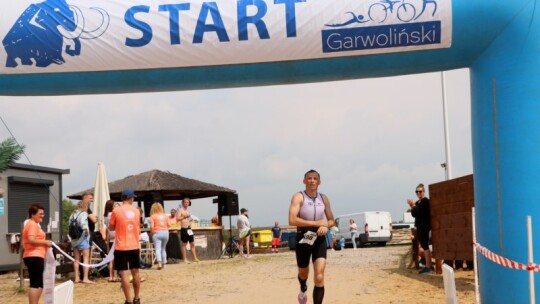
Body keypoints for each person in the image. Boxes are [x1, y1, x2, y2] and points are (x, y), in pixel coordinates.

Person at [289, 169, 335, 304]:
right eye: (309, 178)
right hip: (304, 236)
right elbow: (292, 220)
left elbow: (331, 220)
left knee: (319, 276)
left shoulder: (323, 198)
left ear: (319, 182)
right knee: (303, 273)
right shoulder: (298, 196)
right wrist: (315, 223)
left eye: (315, 178)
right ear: (304, 181)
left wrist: (325, 225)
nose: (312, 181)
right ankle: (303, 288)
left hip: (319, 237)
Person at [109, 189, 142, 304]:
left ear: (122, 198)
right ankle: (137, 298)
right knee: (136, 272)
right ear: (131, 198)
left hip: (121, 246)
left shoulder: (116, 211)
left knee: (124, 273)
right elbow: (137, 225)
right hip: (134, 244)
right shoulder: (136, 211)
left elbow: (111, 227)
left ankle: (128, 300)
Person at [22, 204, 53, 304]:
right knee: (35, 283)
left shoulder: (34, 224)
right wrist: (45, 242)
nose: (42, 216)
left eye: (43, 214)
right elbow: (31, 240)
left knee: (39, 283)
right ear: (32, 214)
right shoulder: (32, 224)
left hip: (36, 255)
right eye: (40, 214)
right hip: (33, 256)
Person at [407, 183, 433, 274]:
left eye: (420, 191)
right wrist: (412, 207)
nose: (418, 193)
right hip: (420, 226)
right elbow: (414, 214)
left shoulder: (426, 201)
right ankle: (428, 265)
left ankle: (428, 266)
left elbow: (421, 213)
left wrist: (414, 206)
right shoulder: (418, 202)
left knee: (425, 246)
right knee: (423, 245)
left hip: (425, 226)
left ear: (424, 192)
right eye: (417, 191)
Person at [70, 198, 94, 284]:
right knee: (85, 258)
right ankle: (85, 278)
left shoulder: (72, 214)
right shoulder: (83, 213)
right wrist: (87, 231)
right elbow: (83, 224)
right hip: (82, 239)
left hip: (74, 239)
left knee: (76, 259)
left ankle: (76, 277)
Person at [176, 197, 201, 263]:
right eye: (185, 202)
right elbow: (177, 218)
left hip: (189, 228)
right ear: (183, 203)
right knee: (184, 244)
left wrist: (191, 219)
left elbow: (189, 218)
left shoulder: (188, 210)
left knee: (192, 243)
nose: (186, 203)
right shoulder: (180, 210)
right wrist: (184, 217)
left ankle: (195, 258)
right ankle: (185, 258)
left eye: (188, 202)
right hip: (184, 228)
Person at [149, 202, 169, 270]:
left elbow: (152, 227)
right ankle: (164, 264)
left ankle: (159, 263)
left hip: (157, 232)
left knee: (157, 249)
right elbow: (169, 225)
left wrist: (152, 232)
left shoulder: (153, 216)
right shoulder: (166, 216)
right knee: (163, 249)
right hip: (165, 232)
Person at [104, 200, 120, 282]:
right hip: (116, 237)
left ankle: (110, 276)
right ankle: (115, 275)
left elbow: (107, 230)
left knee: (111, 259)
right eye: (114, 205)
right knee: (116, 258)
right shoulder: (114, 215)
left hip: (110, 238)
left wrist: (106, 242)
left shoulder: (106, 217)